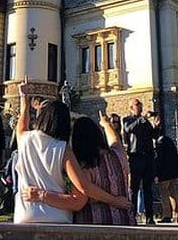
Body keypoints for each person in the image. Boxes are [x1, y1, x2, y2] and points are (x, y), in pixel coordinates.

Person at [14, 78, 130, 223]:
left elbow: (22, 125)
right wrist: (115, 201)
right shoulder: (62, 149)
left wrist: (24, 97)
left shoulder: (24, 140)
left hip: (25, 213)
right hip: (57, 215)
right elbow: (84, 189)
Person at [122, 99, 162, 225]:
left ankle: (149, 217)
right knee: (134, 188)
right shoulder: (128, 119)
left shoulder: (145, 123)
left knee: (148, 188)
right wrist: (141, 119)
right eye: (137, 104)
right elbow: (128, 129)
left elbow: (154, 136)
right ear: (131, 107)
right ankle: (132, 215)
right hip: (136, 156)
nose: (140, 106)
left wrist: (156, 126)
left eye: (140, 104)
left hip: (148, 157)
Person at [155, 135, 178, 223]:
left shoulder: (160, 142)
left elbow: (159, 159)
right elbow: (176, 157)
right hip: (173, 171)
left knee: (164, 193)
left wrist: (156, 173)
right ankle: (176, 215)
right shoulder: (170, 141)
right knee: (173, 193)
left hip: (164, 172)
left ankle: (166, 215)